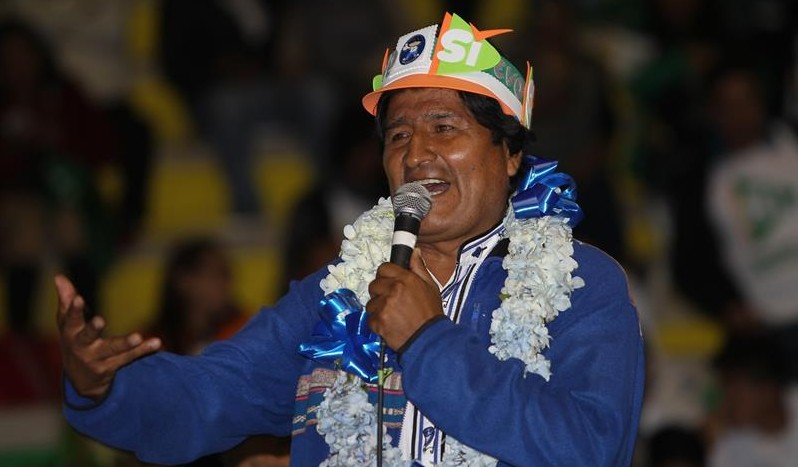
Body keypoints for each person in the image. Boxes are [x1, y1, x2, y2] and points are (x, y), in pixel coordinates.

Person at [54, 12, 645, 465]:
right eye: (398, 136)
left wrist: (427, 340)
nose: (416, 154)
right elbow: (216, 392)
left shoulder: (582, 284)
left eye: (444, 127)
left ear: (511, 153)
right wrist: (106, 388)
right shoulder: (338, 294)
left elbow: (590, 448)